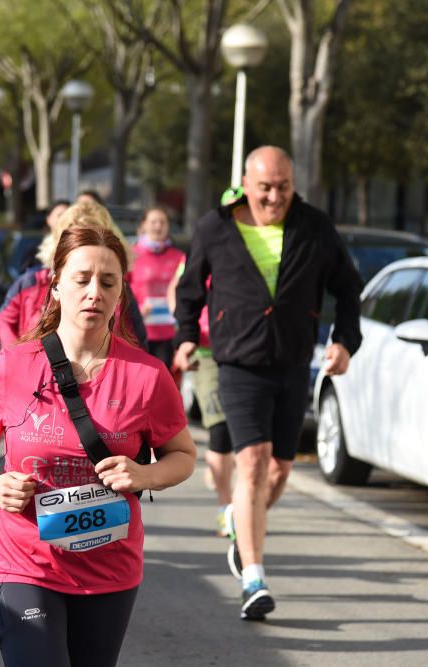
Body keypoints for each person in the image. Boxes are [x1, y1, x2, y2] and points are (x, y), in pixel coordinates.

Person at [0, 221, 196, 667]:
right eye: (82, 279)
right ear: (55, 286)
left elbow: (183, 455)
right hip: (24, 560)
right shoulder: (15, 364)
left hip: (109, 569)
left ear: (121, 295)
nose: (94, 292)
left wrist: (145, 474)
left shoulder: (147, 376)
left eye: (108, 282)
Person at [174, 146, 363, 620]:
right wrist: (182, 339)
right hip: (236, 362)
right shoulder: (215, 227)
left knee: (278, 471)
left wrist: (345, 341)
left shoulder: (314, 228)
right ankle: (254, 577)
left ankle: (245, 524)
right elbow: (190, 289)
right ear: (246, 182)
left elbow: (348, 287)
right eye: (265, 187)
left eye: (282, 186)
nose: (274, 196)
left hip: (292, 363)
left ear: (293, 184)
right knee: (253, 463)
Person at [0, 201, 148, 348]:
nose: (94, 293)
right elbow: (4, 320)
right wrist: (19, 361)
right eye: (76, 238)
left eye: (93, 237)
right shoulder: (31, 283)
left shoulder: (120, 290)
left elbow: (137, 344)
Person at [167, 260, 233, 537]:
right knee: (220, 429)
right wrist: (186, 324)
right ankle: (225, 508)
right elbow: (177, 289)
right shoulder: (202, 250)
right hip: (206, 351)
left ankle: (229, 484)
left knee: (241, 433)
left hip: (245, 348)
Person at [127, 206, 185, 371]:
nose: (158, 226)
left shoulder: (179, 257)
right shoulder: (131, 255)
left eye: (162, 222)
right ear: (144, 225)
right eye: (153, 222)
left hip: (170, 331)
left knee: (165, 381)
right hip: (138, 329)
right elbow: (119, 289)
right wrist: (135, 310)